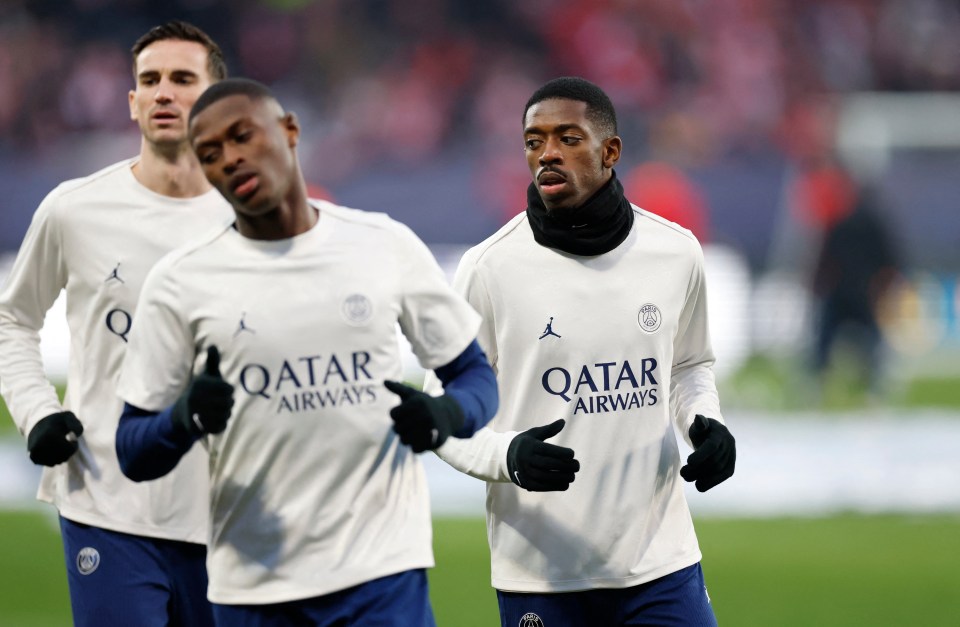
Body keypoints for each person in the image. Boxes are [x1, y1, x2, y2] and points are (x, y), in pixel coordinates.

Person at [113, 78, 498, 627]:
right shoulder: (181, 281)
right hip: (255, 590)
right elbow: (132, 448)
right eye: (212, 154)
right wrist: (183, 419)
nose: (232, 159)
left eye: (243, 136)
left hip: (382, 578)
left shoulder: (383, 245)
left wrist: (446, 415)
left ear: (289, 131)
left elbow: (473, 376)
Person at [429, 76, 736, 626]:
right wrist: (508, 458)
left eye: (568, 138)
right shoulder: (490, 267)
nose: (547, 153)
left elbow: (690, 366)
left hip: (661, 565)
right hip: (542, 575)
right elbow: (443, 409)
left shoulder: (675, 252)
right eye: (533, 141)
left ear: (610, 151)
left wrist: (705, 423)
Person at [0, 20, 233, 626]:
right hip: (106, 504)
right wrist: (38, 411)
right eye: (149, 80)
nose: (163, 93)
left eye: (182, 79)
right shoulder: (75, 210)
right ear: (130, 103)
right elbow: (12, 319)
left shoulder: (258, 220)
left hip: (232, 513)